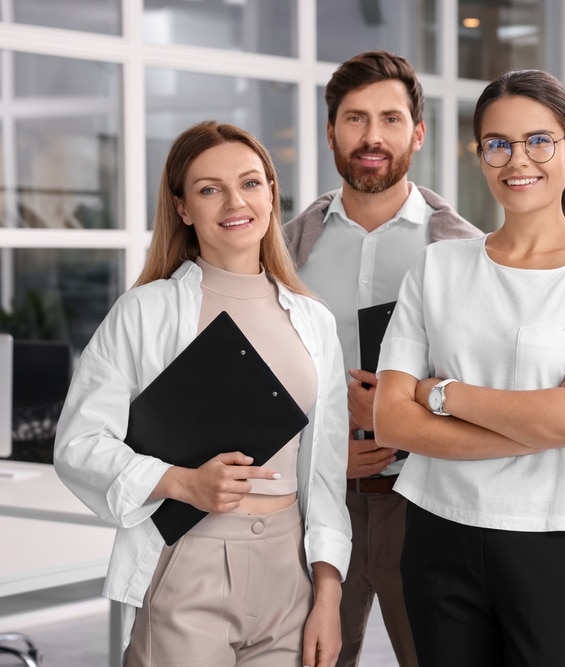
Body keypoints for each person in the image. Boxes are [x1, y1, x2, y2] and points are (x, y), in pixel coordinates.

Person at [372, 69, 565, 667]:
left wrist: (442, 394)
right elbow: (392, 421)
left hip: (558, 539)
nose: (517, 159)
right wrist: (538, 424)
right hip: (437, 530)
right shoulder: (436, 268)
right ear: (480, 156)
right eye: (497, 144)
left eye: (539, 141)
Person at [53, 121, 353, 667]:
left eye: (251, 183)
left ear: (270, 194)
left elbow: (327, 470)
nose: (235, 202)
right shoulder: (146, 311)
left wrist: (328, 593)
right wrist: (180, 481)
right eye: (209, 189)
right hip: (190, 561)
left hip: (289, 569)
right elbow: (79, 443)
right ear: (183, 208)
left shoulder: (313, 320)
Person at [283, 50, 482, 667]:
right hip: (316, 499)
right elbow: (263, 377)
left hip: (423, 498)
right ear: (331, 131)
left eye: (391, 119)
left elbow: (489, 384)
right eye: (355, 119)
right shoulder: (286, 250)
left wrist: (402, 408)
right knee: (308, 658)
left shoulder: (465, 251)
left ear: (417, 133)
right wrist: (317, 455)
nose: (372, 137)